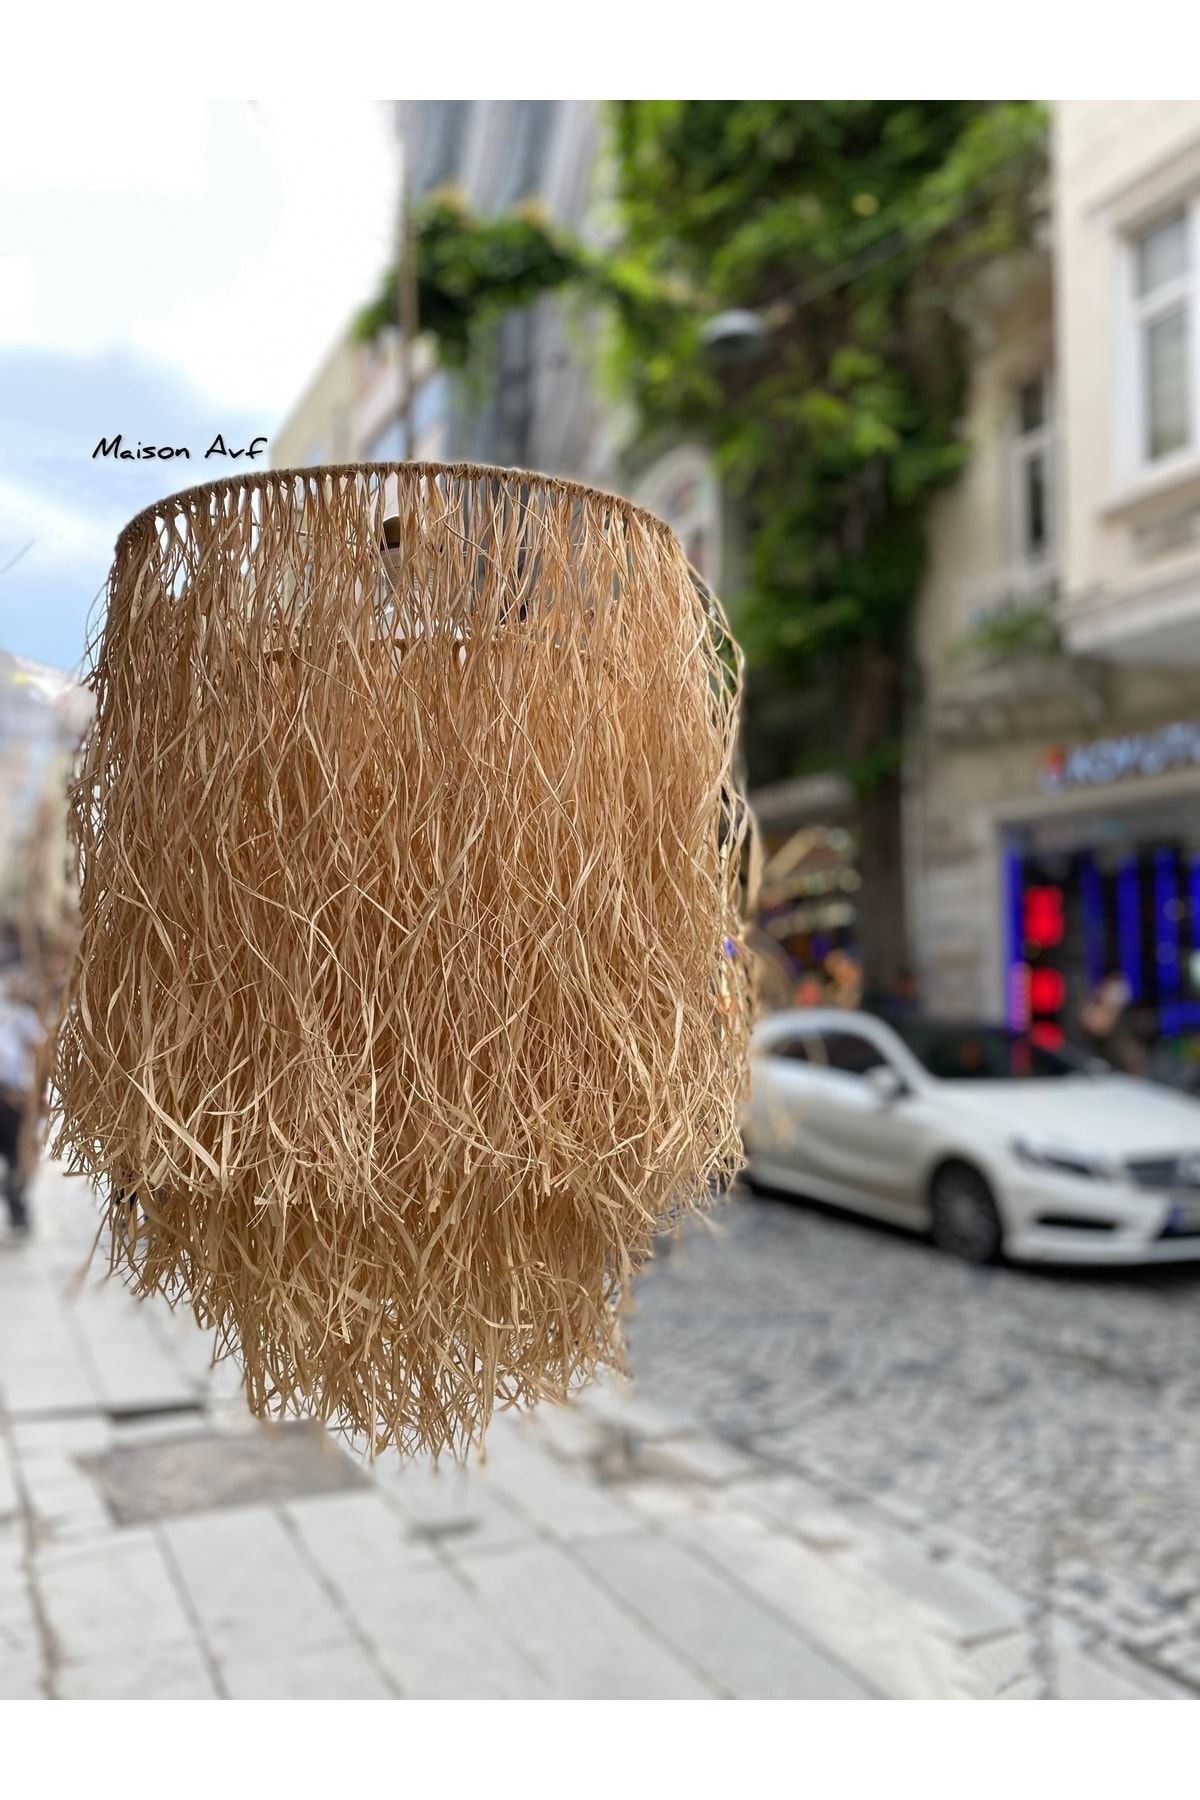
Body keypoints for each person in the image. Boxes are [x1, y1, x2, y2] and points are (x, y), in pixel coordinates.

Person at [0, 968, 46, 1237]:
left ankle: (16, 1204)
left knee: (18, 1157)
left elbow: (38, 1052)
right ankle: (16, 1207)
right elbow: (40, 1053)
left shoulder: (21, 1015)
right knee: (18, 1158)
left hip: (12, 1098)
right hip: (12, 1098)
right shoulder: (23, 1015)